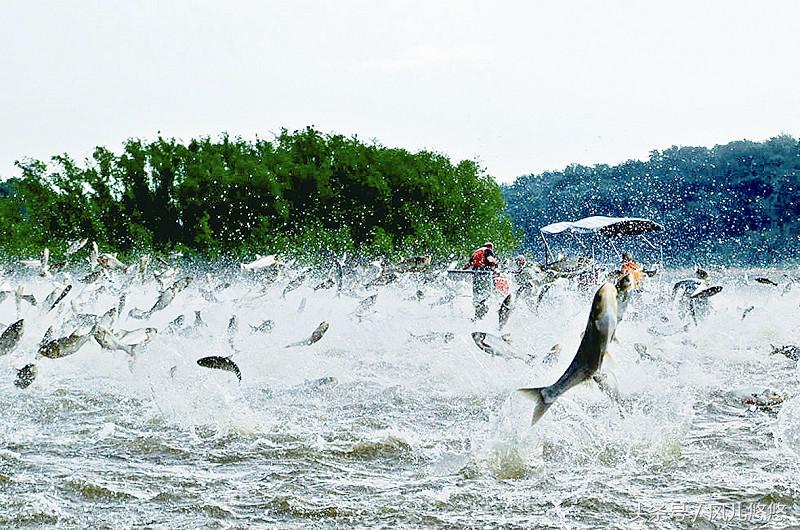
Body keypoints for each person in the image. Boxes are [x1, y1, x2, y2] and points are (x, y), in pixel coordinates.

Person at [464, 242, 499, 320]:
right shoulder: (488, 251)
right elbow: (490, 260)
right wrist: (495, 265)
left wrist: (462, 270)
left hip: (476, 276)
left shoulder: (476, 252)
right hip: (484, 276)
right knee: (487, 296)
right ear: (490, 247)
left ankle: (476, 315)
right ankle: (483, 316)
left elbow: (467, 265)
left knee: (477, 296)